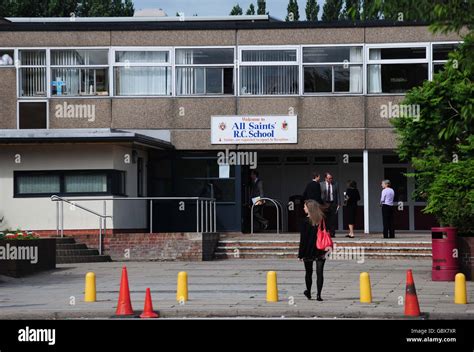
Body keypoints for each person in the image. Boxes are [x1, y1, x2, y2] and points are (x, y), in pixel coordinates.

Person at [298, 199, 327, 301]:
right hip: (321, 248)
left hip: (308, 250)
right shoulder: (321, 219)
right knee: (320, 273)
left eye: (305, 206)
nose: (304, 208)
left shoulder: (304, 221)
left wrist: (300, 254)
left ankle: (309, 292)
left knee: (308, 272)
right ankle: (319, 295)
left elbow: (303, 239)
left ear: (309, 208)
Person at [320, 173, 340, 238]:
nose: (330, 179)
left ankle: (332, 233)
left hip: (332, 203)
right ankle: (325, 232)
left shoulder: (335, 184)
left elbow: (337, 194)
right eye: (329, 178)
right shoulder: (321, 184)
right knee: (324, 218)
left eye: (331, 178)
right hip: (324, 203)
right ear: (325, 178)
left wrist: (339, 203)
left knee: (332, 219)